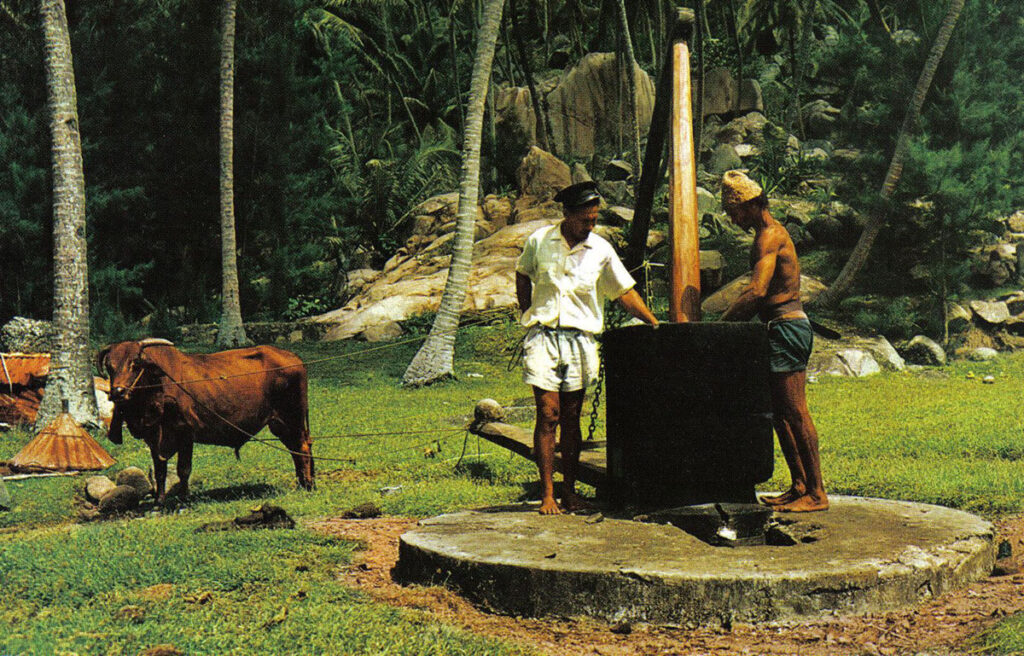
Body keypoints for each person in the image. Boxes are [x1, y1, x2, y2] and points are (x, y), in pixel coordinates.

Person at [516, 181, 659, 515]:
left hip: (581, 340)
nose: (590, 226)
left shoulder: (601, 250)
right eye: (585, 220)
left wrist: (652, 322)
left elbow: (623, 291)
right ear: (567, 214)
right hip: (544, 336)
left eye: (594, 220)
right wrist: (526, 311)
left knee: (571, 416)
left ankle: (570, 492)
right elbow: (522, 274)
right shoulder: (540, 242)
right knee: (547, 414)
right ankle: (547, 494)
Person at [719, 170, 829, 513]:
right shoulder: (762, 235)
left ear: (750, 204)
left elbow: (757, 291)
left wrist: (720, 326)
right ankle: (798, 486)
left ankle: (817, 493)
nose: (733, 220)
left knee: (795, 411)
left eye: (734, 212)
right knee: (780, 414)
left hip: (788, 327)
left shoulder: (770, 236)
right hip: (776, 326)